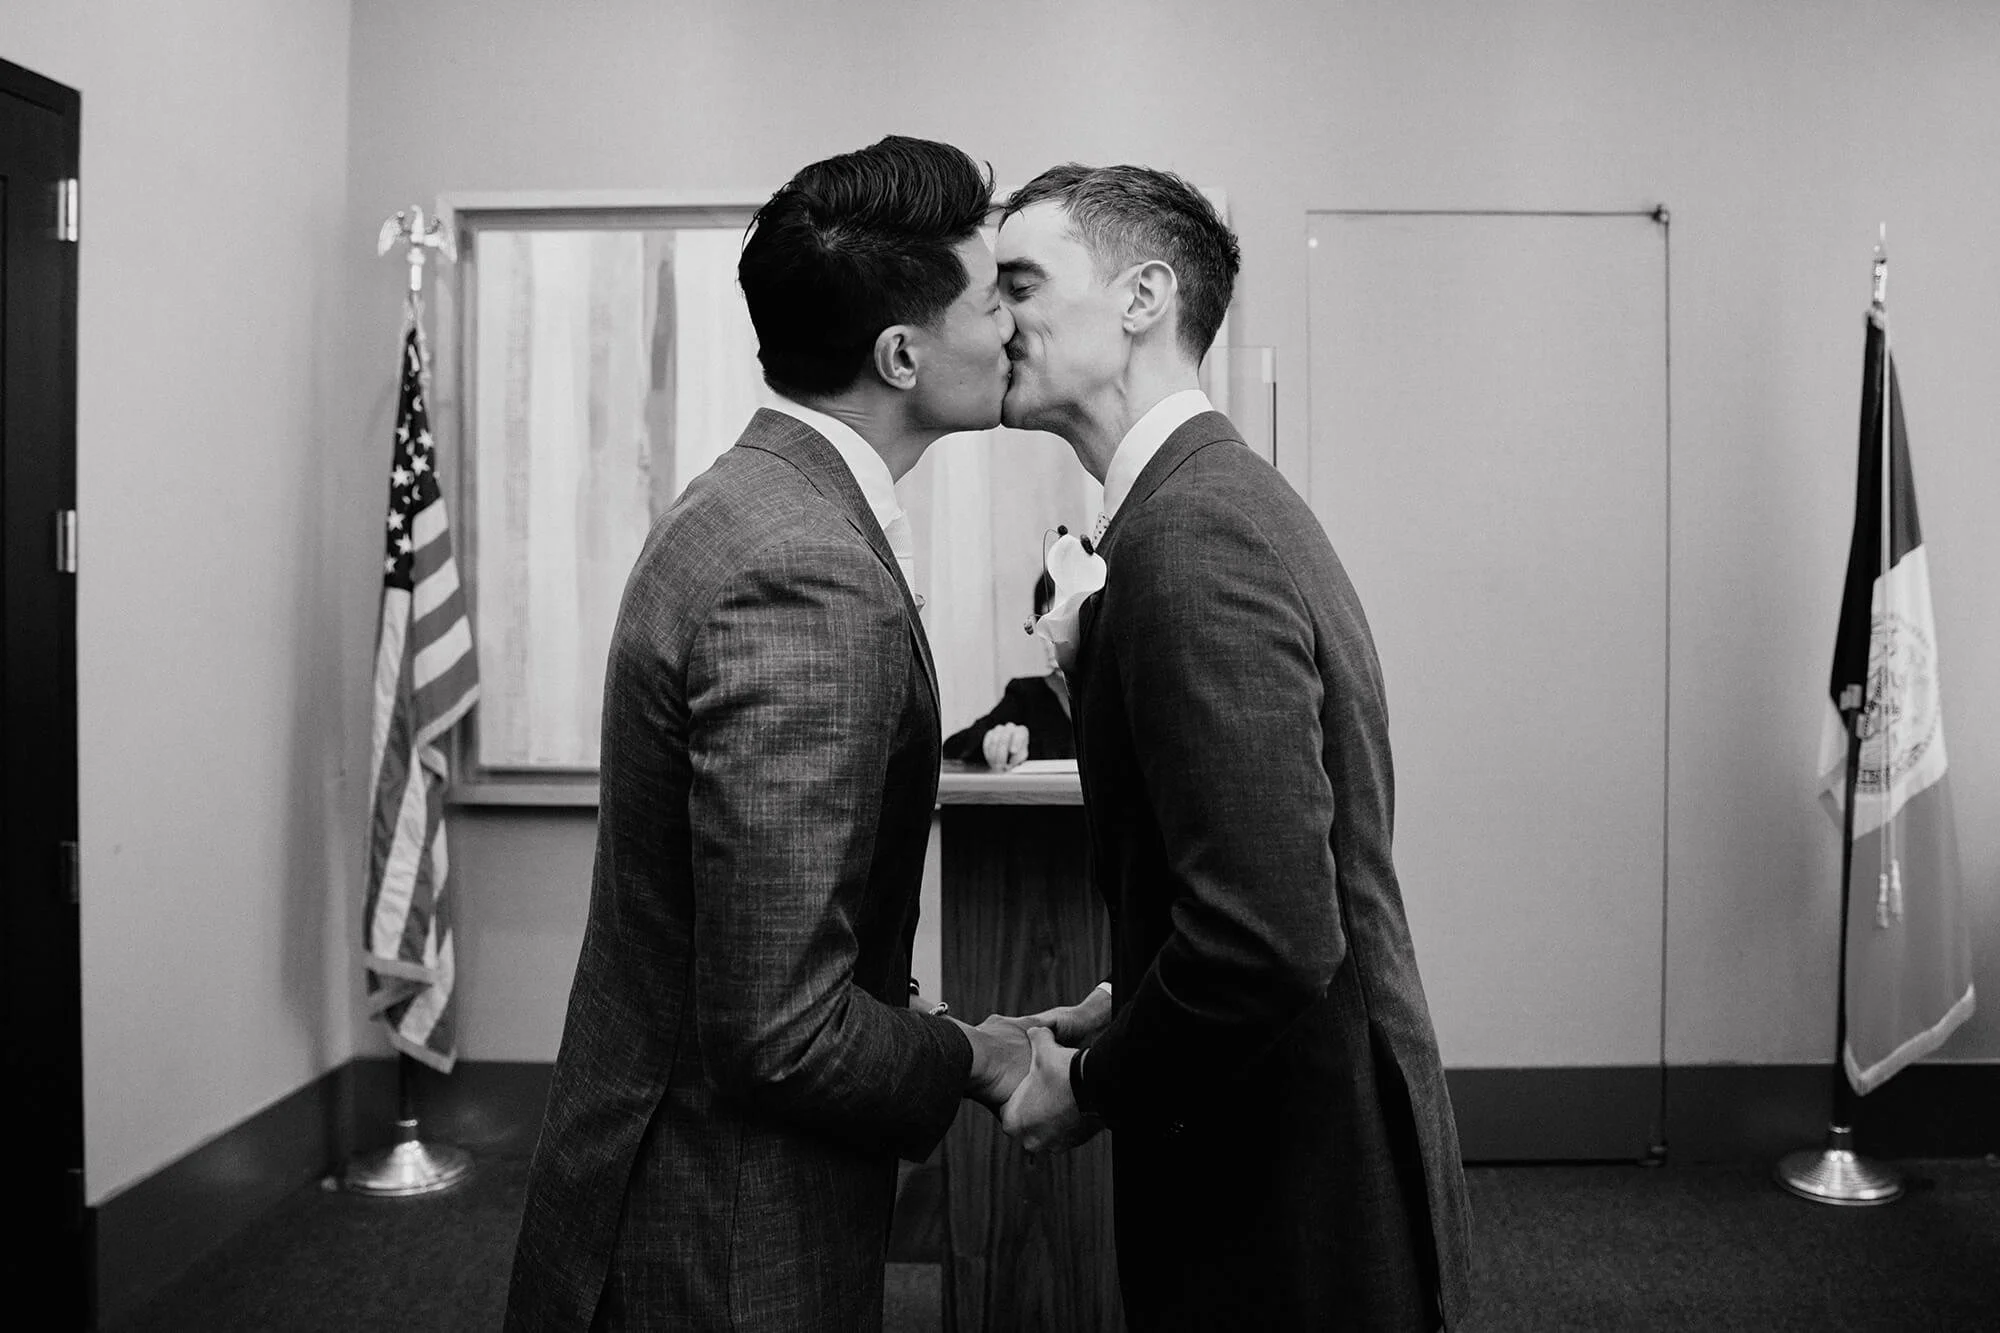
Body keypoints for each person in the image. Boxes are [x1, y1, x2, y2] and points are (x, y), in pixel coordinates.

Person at [504, 136, 1030, 1332]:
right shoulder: (803, 567)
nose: (1011, 327)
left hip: (689, 1183)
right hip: (725, 1229)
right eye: (991, 299)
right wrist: (976, 1060)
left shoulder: (752, 499)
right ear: (901, 355)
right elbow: (780, 1029)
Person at [990, 164, 1474, 1331]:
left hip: (1288, 1185)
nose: (994, 318)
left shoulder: (1191, 532)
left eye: (1021, 282)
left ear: (1142, 296)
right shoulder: (1201, 501)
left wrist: (1091, 1085)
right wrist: (1136, 1003)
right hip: (1280, 1132)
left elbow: (1266, 935)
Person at [941, 572, 1075, 769]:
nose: (1052, 636)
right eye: (1044, 622)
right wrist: (996, 740)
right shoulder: (1027, 696)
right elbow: (953, 747)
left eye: (1063, 619)